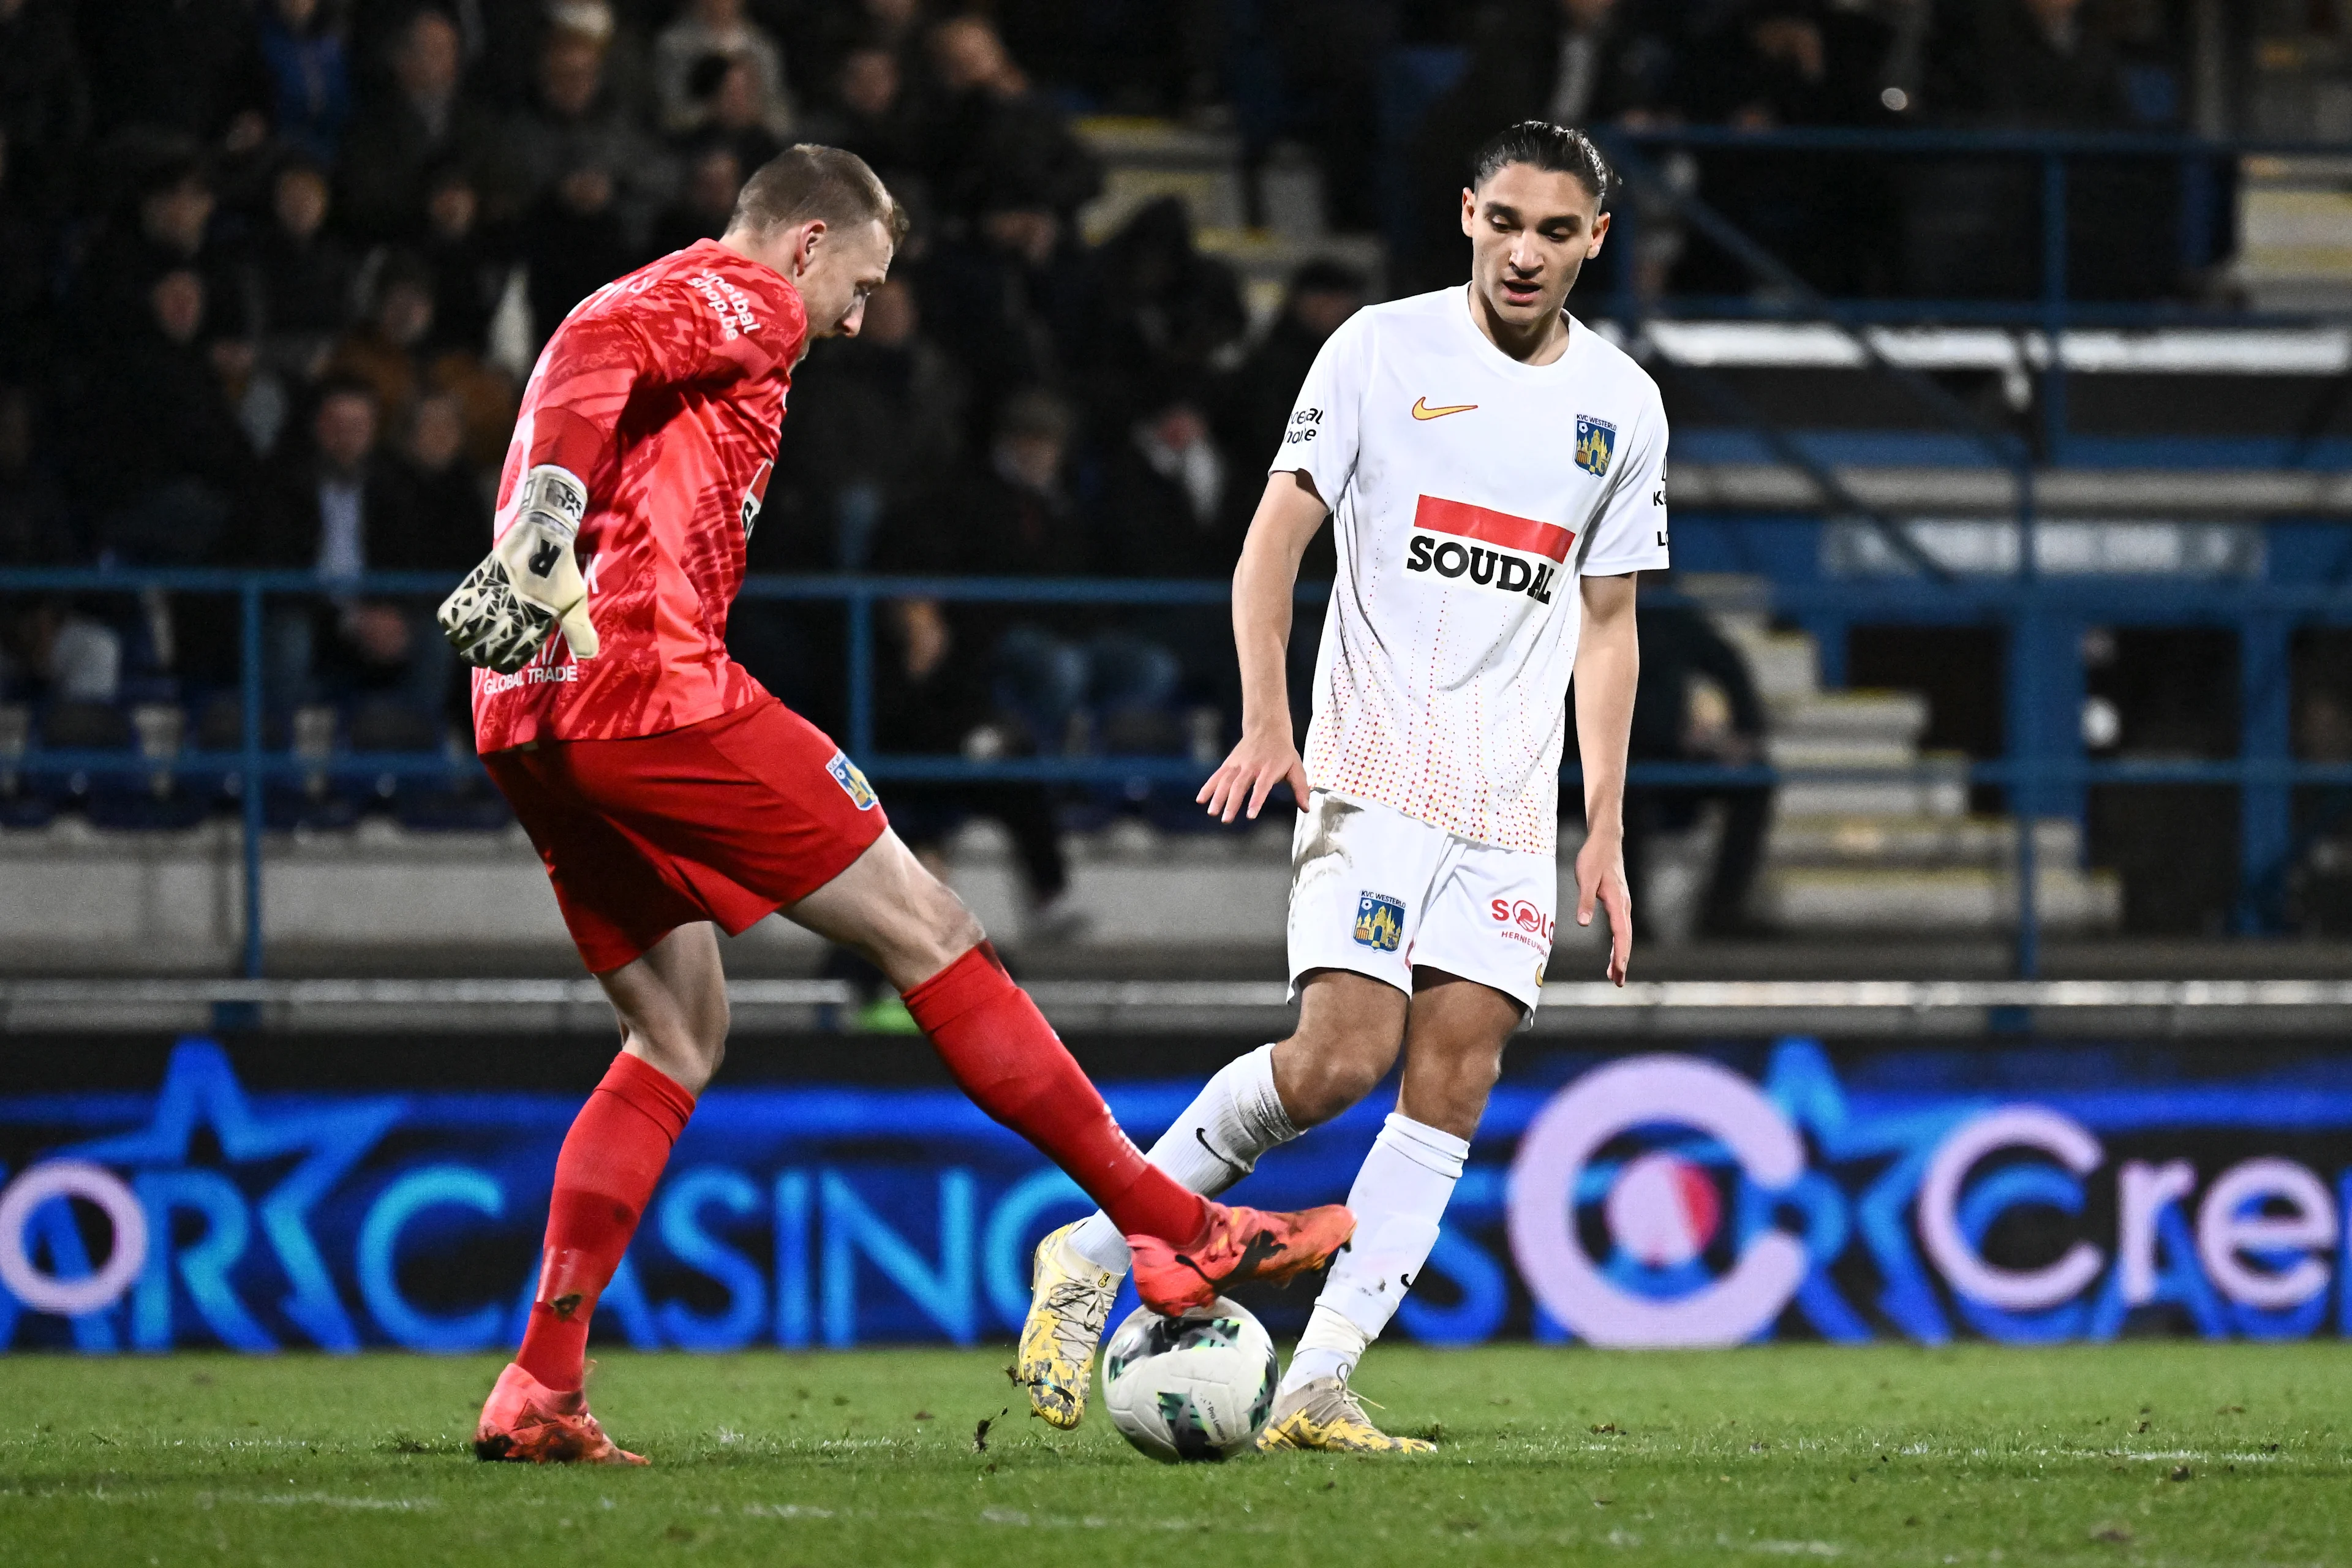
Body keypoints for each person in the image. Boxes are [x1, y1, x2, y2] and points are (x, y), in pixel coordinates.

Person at [432, 144, 1354, 1466]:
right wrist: (547, 522)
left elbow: (596, 351)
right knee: (930, 924)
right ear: (806, 244)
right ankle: (1173, 1222)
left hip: (527, 709)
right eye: (857, 285)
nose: (856, 319)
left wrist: (543, 524)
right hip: (651, 682)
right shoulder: (740, 290)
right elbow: (601, 336)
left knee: (679, 1029)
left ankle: (541, 1383)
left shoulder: (682, 309)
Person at [1019, 121, 1667, 1453]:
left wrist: (1601, 822)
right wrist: (1266, 713)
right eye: (1506, 222)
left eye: (1557, 230)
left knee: (1457, 1075)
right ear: (1468, 216)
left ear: (1595, 240)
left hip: (1506, 799)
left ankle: (1317, 1384)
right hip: (1371, 764)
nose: (1526, 251)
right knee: (1340, 1059)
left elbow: (1610, 624)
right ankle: (1091, 1246)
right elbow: (1272, 545)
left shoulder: (1626, 407)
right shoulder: (1381, 347)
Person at [1623, 574, 1771, 940]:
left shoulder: (1673, 615)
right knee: (1622, 793)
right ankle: (1628, 922)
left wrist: (1743, 733)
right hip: (1606, 760)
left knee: (1754, 781)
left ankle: (1721, 913)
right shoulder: (1586, 611)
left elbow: (1728, 665)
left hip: (1668, 755)